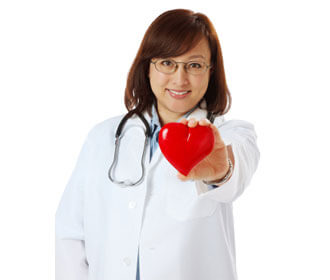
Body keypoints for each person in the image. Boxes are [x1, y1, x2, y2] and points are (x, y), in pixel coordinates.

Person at [55, 8, 260, 280]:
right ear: (148, 67)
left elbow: (237, 169)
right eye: (167, 63)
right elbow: (71, 232)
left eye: (194, 65)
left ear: (211, 72)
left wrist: (222, 171)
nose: (180, 78)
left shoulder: (232, 134)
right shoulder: (103, 137)